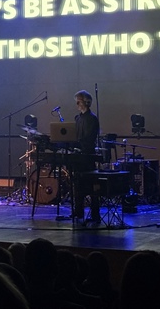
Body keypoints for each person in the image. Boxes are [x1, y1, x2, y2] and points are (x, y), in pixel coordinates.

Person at [72, 90, 100, 221]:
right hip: (78, 157)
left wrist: (79, 145)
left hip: (88, 156)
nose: (77, 104)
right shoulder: (77, 118)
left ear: (86, 102)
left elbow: (89, 138)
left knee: (92, 186)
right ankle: (78, 211)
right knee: (77, 185)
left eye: (79, 101)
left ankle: (95, 214)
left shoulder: (92, 118)